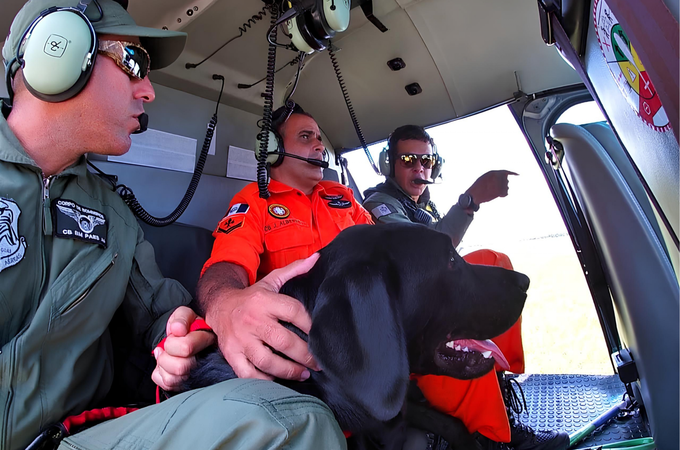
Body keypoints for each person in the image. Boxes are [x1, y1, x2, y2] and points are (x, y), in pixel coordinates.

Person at [1, 1, 344, 450]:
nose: (148, 92)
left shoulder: (114, 214)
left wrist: (179, 339)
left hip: (69, 439)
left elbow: (161, 314)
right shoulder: (255, 204)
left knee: (298, 422)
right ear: (57, 53)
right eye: (132, 62)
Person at [363, 125, 569, 450]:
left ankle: (502, 380)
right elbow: (423, 252)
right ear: (390, 164)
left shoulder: (423, 208)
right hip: (404, 332)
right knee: (484, 269)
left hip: (426, 311)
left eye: (427, 160)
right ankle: (492, 439)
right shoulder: (378, 205)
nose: (420, 168)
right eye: (408, 159)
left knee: (495, 261)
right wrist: (470, 200)